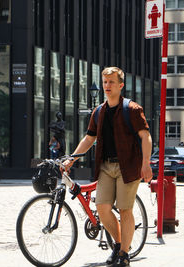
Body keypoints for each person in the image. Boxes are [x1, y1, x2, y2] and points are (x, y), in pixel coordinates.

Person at [63, 67, 152, 267]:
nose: (107, 86)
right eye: (105, 82)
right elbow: (89, 138)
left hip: (128, 167)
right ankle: (119, 245)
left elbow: (145, 136)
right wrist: (73, 159)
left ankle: (124, 255)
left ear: (121, 85)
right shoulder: (99, 112)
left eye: (111, 82)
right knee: (102, 208)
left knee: (124, 209)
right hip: (105, 166)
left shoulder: (133, 110)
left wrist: (146, 163)